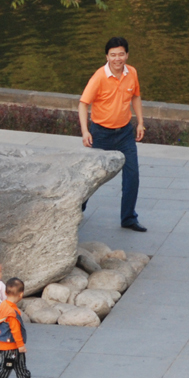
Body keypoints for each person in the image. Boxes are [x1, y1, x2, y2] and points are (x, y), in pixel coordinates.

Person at [79, 36, 147, 232]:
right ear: (107, 56)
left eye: (121, 54)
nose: (118, 59)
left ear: (127, 55)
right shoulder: (99, 77)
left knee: (132, 175)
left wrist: (140, 123)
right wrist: (85, 132)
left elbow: (136, 96)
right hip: (101, 134)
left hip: (125, 133)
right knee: (93, 176)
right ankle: (78, 206)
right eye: (113, 55)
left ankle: (128, 218)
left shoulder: (132, 72)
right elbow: (83, 104)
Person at [0, 277, 39, 378]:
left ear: (5, 293)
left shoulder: (4, 305)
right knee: (6, 364)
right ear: (21, 295)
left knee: (20, 363)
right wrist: (21, 345)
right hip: (10, 345)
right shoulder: (12, 313)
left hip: (6, 343)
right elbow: (15, 331)